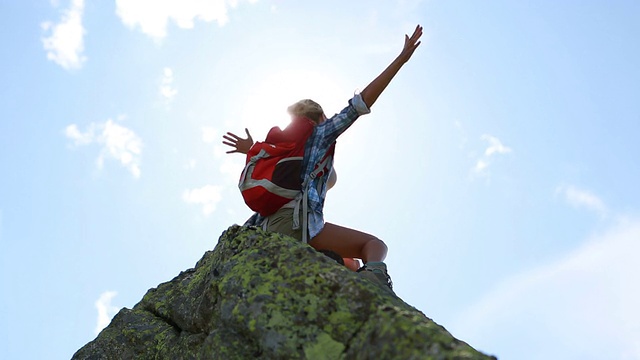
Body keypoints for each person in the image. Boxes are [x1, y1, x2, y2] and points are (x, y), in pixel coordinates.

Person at [223, 25, 423, 292]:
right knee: (375, 246)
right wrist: (400, 59)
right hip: (296, 224)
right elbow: (360, 103)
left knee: (349, 263)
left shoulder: (280, 146)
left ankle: (354, 277)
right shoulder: (318, 134)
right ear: (320, 117)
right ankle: (374, 284)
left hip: (267, 228)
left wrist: (250, 148)